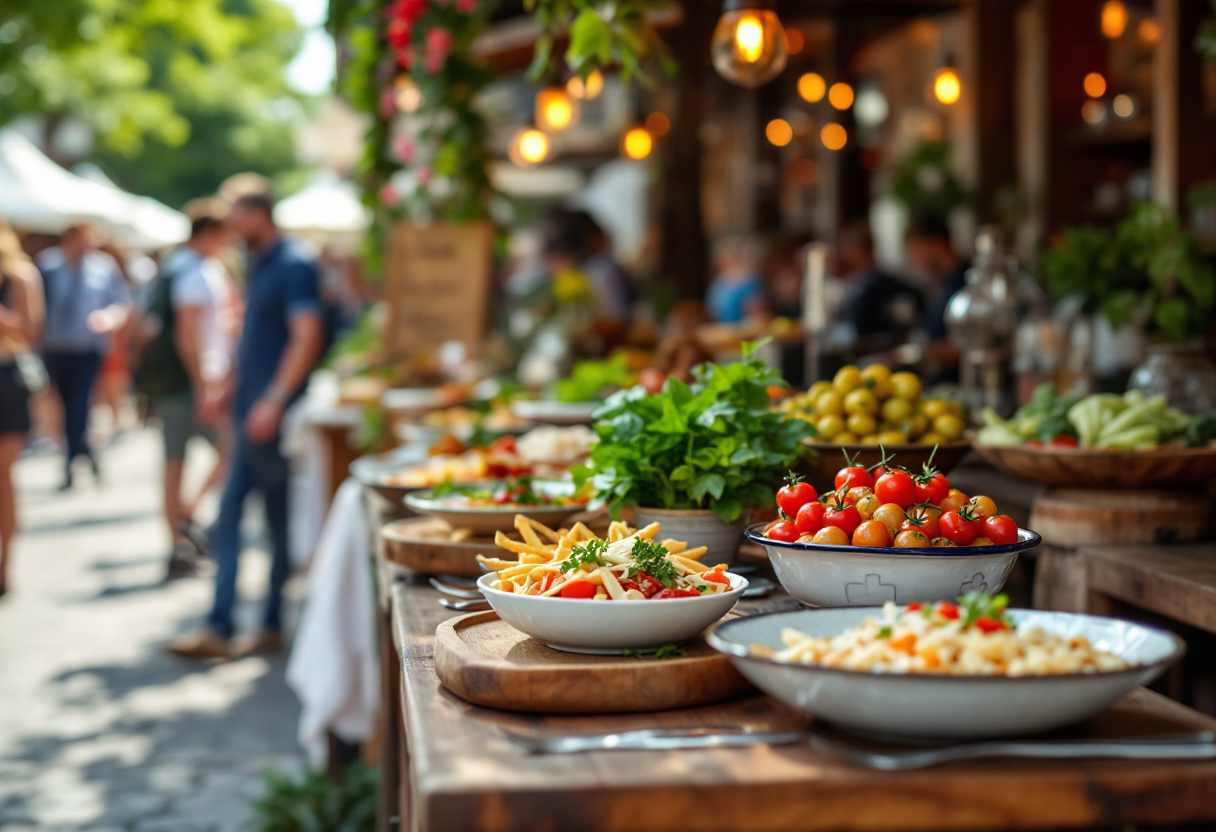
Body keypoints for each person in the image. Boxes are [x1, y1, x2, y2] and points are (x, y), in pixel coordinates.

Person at [167, 192, 324, 660]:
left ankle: (221, 624)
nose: (230, 224)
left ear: (259, 213)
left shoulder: (293, 262)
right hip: (257, 411)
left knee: (231, 515)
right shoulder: (261, 260)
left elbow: (307, 334)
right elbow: (258, 337)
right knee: (274, 519)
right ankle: (271, 623)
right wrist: (232, 385)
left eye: (236, 214)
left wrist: (273, 400)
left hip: (271, 417)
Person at [138, 201, 235, 580]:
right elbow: (187, 333)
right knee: (227, 449)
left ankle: (178, 538)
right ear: (210, 233)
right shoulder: (194, 271)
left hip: (172, 382)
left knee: (174, 462)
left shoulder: (174, 266)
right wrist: (203, 384)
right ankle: (186, 523)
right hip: (189, 382)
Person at [37, 223, 131, 489]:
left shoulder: (104, 267)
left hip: (89, 348)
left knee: (79, 403)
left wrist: (109, 318)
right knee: (68, 406)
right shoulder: (48, 266)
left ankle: (69, 463)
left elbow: (121, 303)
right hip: (56, 349)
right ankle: (88, 454)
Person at [0, 216, 45, 597]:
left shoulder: (19, 274)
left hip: (7, 378)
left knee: (3, 478)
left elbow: (31, 329)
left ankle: (4, 564)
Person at [834, 221, 923, 354]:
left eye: (846, 249)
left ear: (856, 251)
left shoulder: (876, 287)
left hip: (878, 358)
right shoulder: (857, 283)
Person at [903, 214, 969, 379]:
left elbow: (968, 345)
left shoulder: (964, 282)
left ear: (937, 243)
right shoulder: (940, 281)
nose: (913, 259)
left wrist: (918, 353)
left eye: (916, 249)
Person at [706, 235, 767, 324]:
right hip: (722, 331)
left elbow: (758, 314)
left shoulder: (750, 279)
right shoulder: (717, 283)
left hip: (745, 332)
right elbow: (711, 311)